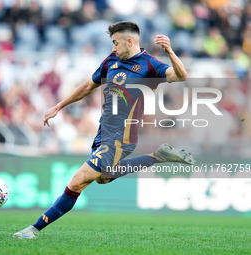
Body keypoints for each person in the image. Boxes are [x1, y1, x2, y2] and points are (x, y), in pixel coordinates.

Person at [13, 21, 195, 240]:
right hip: (103, 134)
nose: (113, 48)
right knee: (103, 178)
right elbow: (88, 85)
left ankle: (33, 230)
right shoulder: (111, 61)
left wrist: (170, 51)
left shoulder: (149, 65)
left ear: (130, 41)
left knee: (78, 180)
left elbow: (181, 75)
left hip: (120, 138)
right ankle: (158, 156)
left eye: (116, 43)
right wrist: (59, 106)